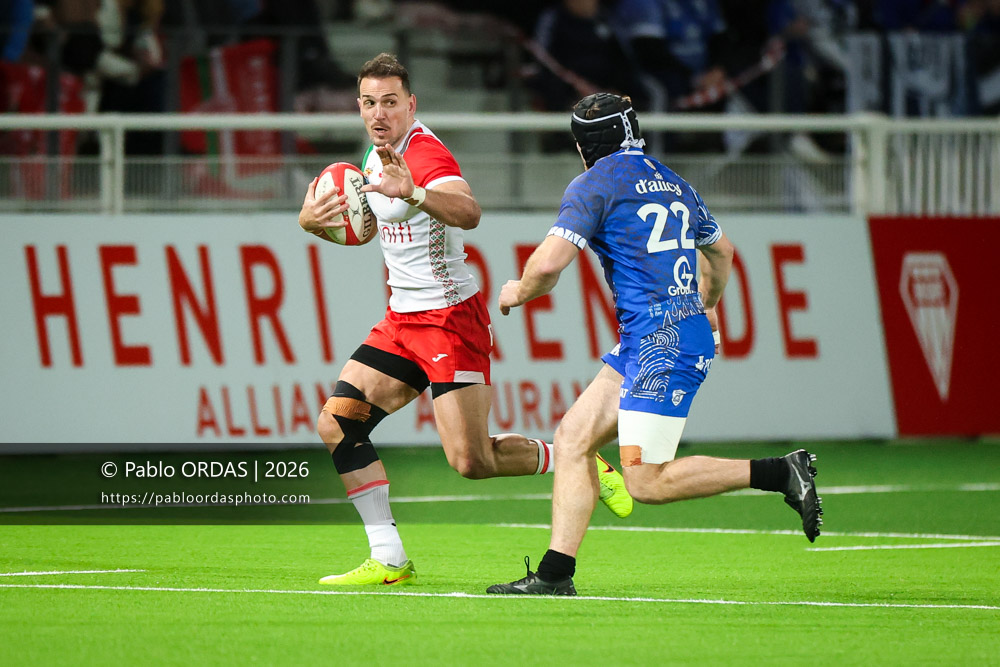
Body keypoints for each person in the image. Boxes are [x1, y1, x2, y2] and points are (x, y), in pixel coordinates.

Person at [296, 53, 633, 587]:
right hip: (402, 321)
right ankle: (388, 559)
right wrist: (311, 220)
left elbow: (469, 211)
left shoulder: (425, 152)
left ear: (411, 105)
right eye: (368, 102)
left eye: (390, 102)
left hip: (450, 321)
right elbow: (362, 225)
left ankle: (584, 462)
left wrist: (415, 192)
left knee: (471, 461)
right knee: (337, 421)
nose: (378, 113)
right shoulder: (375, 152)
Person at [486, 92, 823, 596]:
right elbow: (722, 251)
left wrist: (518, 290)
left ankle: (780, 472)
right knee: (574, 438)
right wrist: (706, 304)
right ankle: (555, 575)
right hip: (662, 334)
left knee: (644, 481)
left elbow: (550, 265)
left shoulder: (594, 183)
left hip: (657, 341)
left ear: (584, 146)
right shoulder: (672, 181)